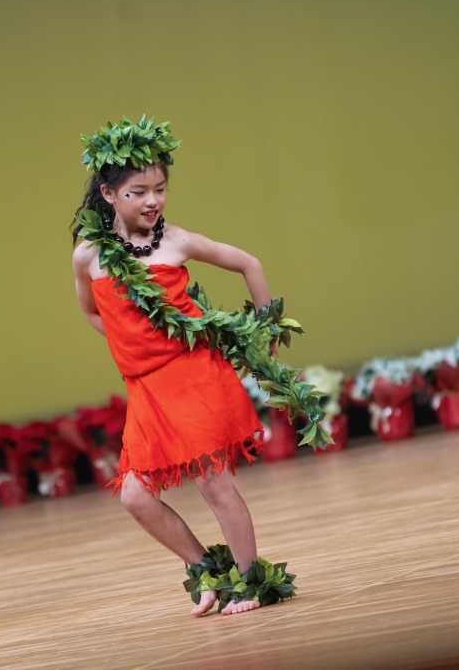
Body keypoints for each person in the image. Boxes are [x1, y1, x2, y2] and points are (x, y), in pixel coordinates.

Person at [71, 117, 312, 616]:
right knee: (134, 497)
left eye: (160, 189)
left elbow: (248, 263)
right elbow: (93, 313)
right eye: (138, 192)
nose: (152, 201)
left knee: (212, 482)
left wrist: (266, 332)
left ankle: (250, 581)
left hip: (194, 375)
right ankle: (207, 571)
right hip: (145, 390)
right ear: (109, 195)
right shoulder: (88, 256)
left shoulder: (175, 242)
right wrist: (133, 344)